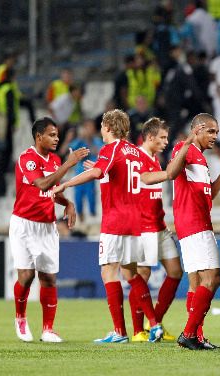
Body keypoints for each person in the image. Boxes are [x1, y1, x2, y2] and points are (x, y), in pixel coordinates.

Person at [53, 109, 168, 343]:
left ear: (107, 127)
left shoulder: (111, 149)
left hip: (116, 220)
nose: (101, 130)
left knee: (108, 271)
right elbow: (119, 173)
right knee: (130, 273)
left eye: (102, 126)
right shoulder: (135, 151)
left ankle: (119, 332)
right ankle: (154, 324)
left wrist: (66, 184)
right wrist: (101, 170)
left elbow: (97, 172)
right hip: (137, 221)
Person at [10, 117, 89, 343]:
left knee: (48, 278)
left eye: (57, 135)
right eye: (52, 135)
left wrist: (68, 203)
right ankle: (20, 318)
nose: (56, 138)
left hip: (46, 225)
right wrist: (69, 163)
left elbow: (53, 190)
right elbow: (42, 184)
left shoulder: (54, 160)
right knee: (26, 276)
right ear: (38, 137)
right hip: (24, 224)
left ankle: (48, 329)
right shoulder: (28, 159)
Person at [166, 113, 220, 350]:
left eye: (217, 132)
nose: (215, 136)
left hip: (193, 223)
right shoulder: (184, 150)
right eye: (210, 131)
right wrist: (187, 141)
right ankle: (190, 333)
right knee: (213, 278)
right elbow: (171, 172)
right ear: (198, 130)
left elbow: (209, 194)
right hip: (194, 224)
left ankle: (196, 336)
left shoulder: (201, 159)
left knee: (196, 283)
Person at [131, 117, 183, 342]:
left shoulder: (153, 158)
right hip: (142, 227)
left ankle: (156, 324)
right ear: (149, 137)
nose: (166, 141)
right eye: (162, 137)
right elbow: (143, 180)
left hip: (159, 225)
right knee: (142, 273)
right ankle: (138, 330)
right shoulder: (137, 157)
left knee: (175, 272)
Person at [67, 119, 104, 222]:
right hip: (79, 175)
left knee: (91, 199)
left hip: (91, 176)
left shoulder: (97, 141)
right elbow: (70, 149)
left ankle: (93, 220)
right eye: (87, 127)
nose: (88, 130)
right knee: (78, 200)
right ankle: (81, 221)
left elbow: (102, 152)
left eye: (91, 127)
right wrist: (80, 138)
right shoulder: (79, 141)